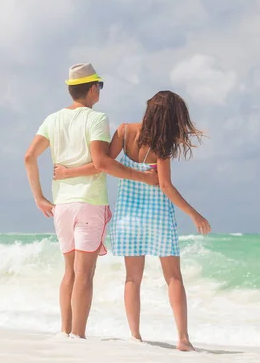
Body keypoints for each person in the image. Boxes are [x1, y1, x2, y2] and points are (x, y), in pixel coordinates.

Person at [53, 90, 211, 351]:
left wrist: (69, 172)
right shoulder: (162, 144)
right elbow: (166, 187)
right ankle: (183, 339)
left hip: (129, 218)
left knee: (132, 279)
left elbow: (102, 163)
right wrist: (194, 214)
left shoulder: (125, 132)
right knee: (173, 277)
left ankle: (135, 335)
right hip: (158, 216)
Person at [24, 63, 158, 340]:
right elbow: (101, 162)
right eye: (100, 86)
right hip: (89, 201)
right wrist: (142, 177)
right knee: (85, 273)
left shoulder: (52, 119)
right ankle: (79, 337)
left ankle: (65, 332)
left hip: (61, 203)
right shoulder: (96, 119)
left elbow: (29, 157)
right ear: (93, 88)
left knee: (69, 273)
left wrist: (39, 197)